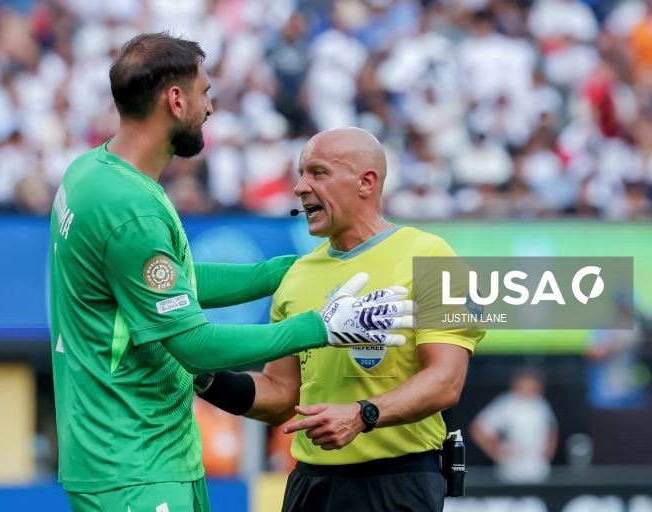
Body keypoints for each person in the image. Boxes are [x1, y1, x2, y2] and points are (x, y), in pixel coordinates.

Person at [48, 34, 415, 512]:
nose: (211, 106)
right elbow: (194, 345)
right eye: (204, 92)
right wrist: (319, 327)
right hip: (133, 460)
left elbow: (168, 282)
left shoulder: (92, 174)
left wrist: (275, 273)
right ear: (175, 100)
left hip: (138, 455)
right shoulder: (130, 210)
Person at [195, 127, 485, 512]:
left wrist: (364, 415)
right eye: (300, 173)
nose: (300, 186)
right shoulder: (297, 275)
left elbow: (446, 381)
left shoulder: (431, 256)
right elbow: (281, 395)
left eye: (318, 173)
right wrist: (205, 379)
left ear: (366, 182)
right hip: (310, 483)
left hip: (396, 481)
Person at [470, 367, 558, 484]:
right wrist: (497, 451)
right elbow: (478, 429)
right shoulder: (506, 403)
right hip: (511, 471)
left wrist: (547, 455)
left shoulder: (541, 404)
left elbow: (552, 430)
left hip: (539, 470)